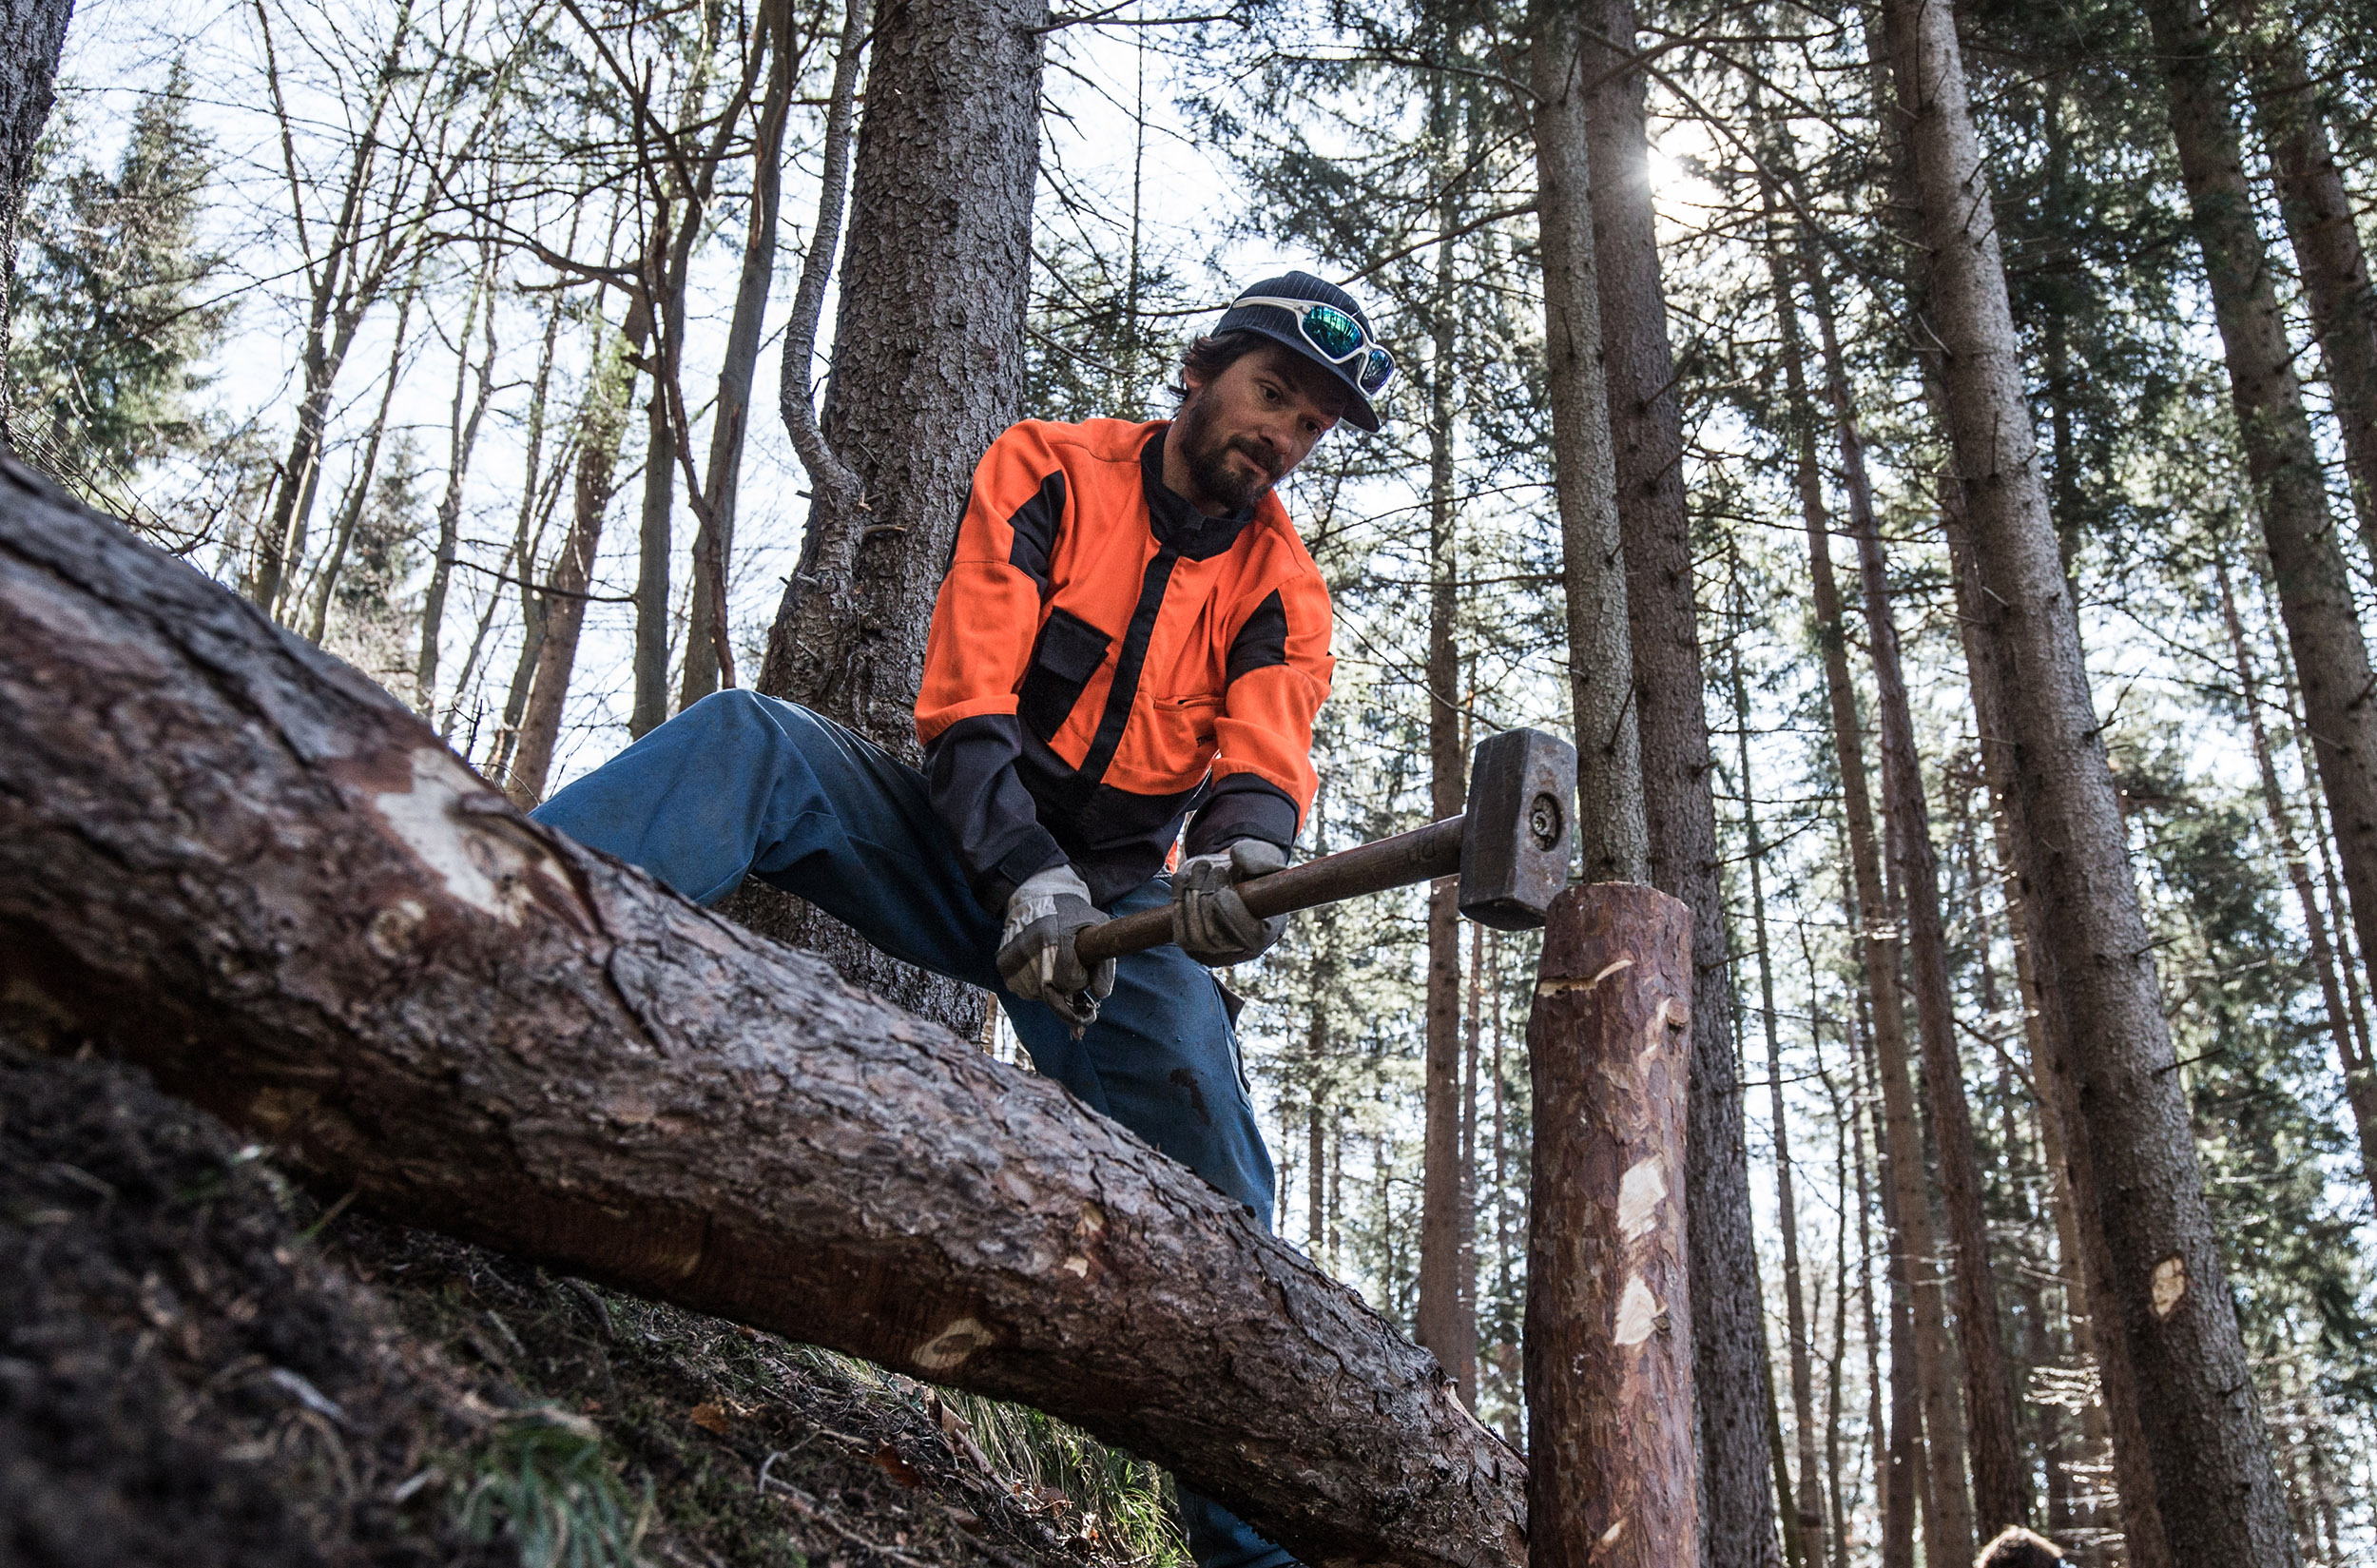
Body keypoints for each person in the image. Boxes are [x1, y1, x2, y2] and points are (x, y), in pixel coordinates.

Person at [531, 271, 1394, 1568]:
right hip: (957, 837)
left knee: (1219, 1168)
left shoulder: (1284, 585)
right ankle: (495, 929)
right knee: (747, 743)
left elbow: (1264, 757)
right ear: (1203, 368)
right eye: (1271, 391)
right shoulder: (1048, 468)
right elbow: (969, 699)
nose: (1279, 434)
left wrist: (1238, 866)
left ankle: (1251, 1550)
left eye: (1310, 425)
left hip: (1115, 919)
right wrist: (1019, 873)